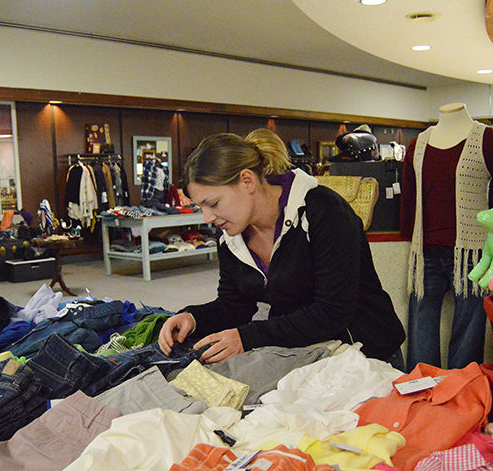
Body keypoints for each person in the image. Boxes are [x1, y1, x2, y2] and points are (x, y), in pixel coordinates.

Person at [158, 128, 405, 368]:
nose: (207, 218)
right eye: (201, 207)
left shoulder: (324, 212)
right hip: (310, 359)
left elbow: (333, 311)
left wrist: (248, 337)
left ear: (247, 180)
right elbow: (235, 305)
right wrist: (193, 317)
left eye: (213, 203)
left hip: (368, 356)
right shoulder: (231, 237)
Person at [401, 102, 493, 370]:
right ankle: (420, 396)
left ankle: (459, 397)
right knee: (420, 335)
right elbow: (409, 196)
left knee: (467, 338)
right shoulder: (417, 144)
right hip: (425, 253)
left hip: (472, 254)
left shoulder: (486, 139)